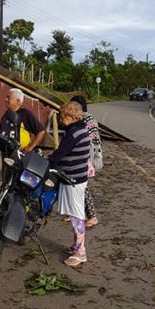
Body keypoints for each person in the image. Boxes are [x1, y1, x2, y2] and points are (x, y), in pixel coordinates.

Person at [50, 102, 92, 267]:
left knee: (76, 216)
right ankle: (76, 245)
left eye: (63, 116)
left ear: (72, 117)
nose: (61, 120)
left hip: (73, 179)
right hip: (77, 178)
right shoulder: (81, 130)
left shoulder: (73, 133)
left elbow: (59, 154)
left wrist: (49, 162)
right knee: (77, 214)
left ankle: (80, 253)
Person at [70, 95, 102, 228]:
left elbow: (90, 142)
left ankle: (92, 216)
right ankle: (75, 213)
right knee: (75, 185)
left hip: (88, 156)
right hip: (86, 156)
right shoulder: (85, 118)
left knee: (83, 187)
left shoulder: (86, 120)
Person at [0, 88, 46, 153]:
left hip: (20, 155)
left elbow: (41, 131)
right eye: (6, 97)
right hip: (6, 154)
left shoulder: (26, 114)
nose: (6, 99)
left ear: (18, 101)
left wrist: (30, 147)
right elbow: (0, 131)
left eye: (9, 98)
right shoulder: (6, 114)